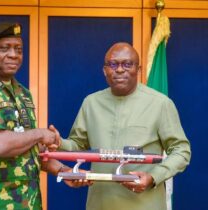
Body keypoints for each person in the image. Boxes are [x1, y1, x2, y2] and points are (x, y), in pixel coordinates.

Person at [0, 22, 75, 210]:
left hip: (27, 201)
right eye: (4, 48)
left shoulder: (22, 92)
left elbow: (27, 146)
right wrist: (40, 134)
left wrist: (64, 171)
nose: (13, 54)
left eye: (18, 49)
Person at [58, 42, 191, 210]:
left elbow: (181, 151)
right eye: (113, 64)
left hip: (145, 204)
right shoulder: (91, 103)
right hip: (100, 203)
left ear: (138, 69)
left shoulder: (160, 104)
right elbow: (77, 145)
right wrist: (58, 142)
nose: (120, 70)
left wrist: (153, 177)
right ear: (104, 70)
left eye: (127, 64)